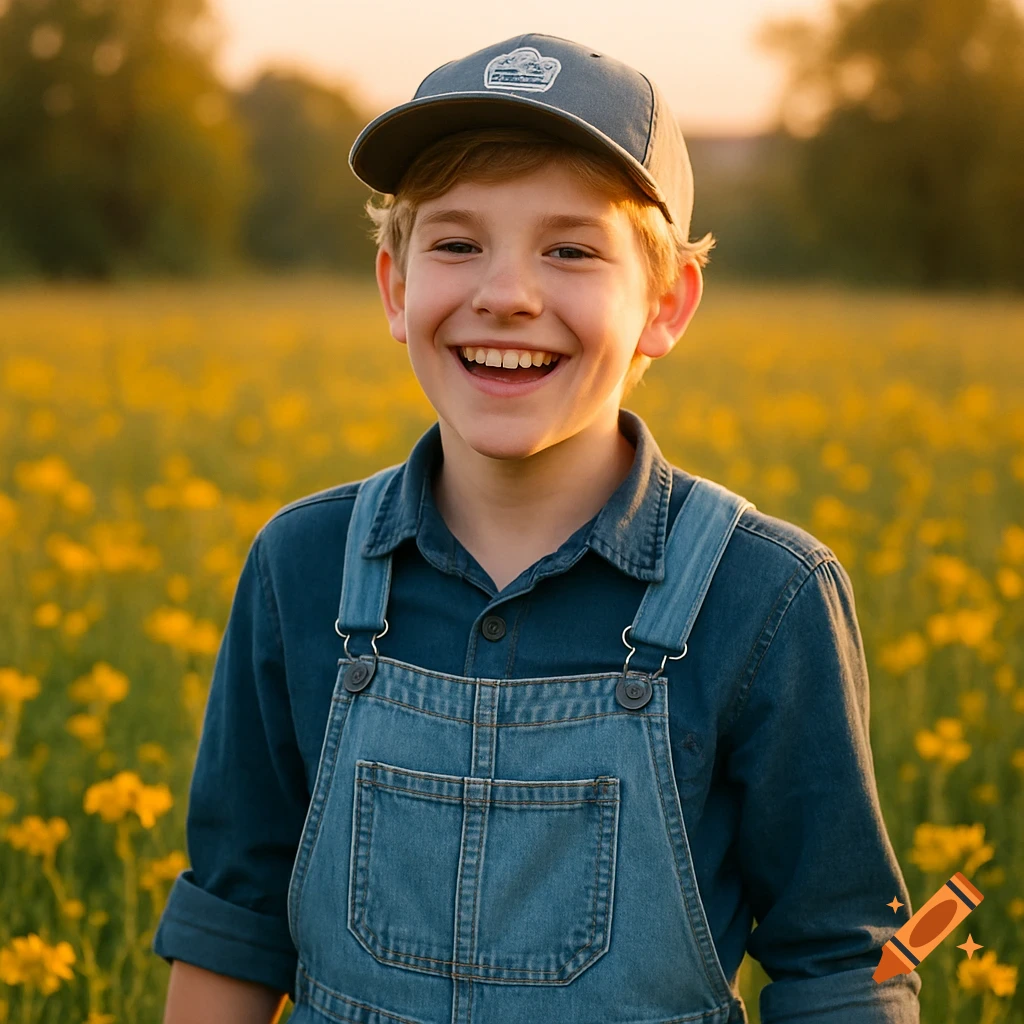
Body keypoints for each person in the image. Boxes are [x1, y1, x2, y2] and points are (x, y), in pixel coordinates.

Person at [154, 32, 922, 1024]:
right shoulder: (298, 567)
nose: (506, 294)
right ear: (394, 286)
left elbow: (838, 969)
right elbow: (234, 922)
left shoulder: (764, 596)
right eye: (457, 243)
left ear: (665, 304)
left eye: (569, 249)